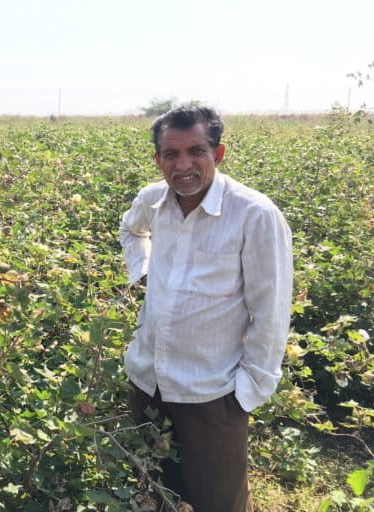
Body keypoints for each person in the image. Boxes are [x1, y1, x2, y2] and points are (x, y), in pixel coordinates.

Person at [119, 104, 293, 511]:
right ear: (157, 159)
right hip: (147, 377)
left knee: (218, 499)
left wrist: (248, 392)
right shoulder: (153, 199)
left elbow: (271, 312)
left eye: (196, 151)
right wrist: (141, 271)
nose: (183, 165)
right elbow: (131, 229)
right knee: (152, 485)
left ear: (218, 154)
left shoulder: (254, 214)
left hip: (212, 391)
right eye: (171, 154)